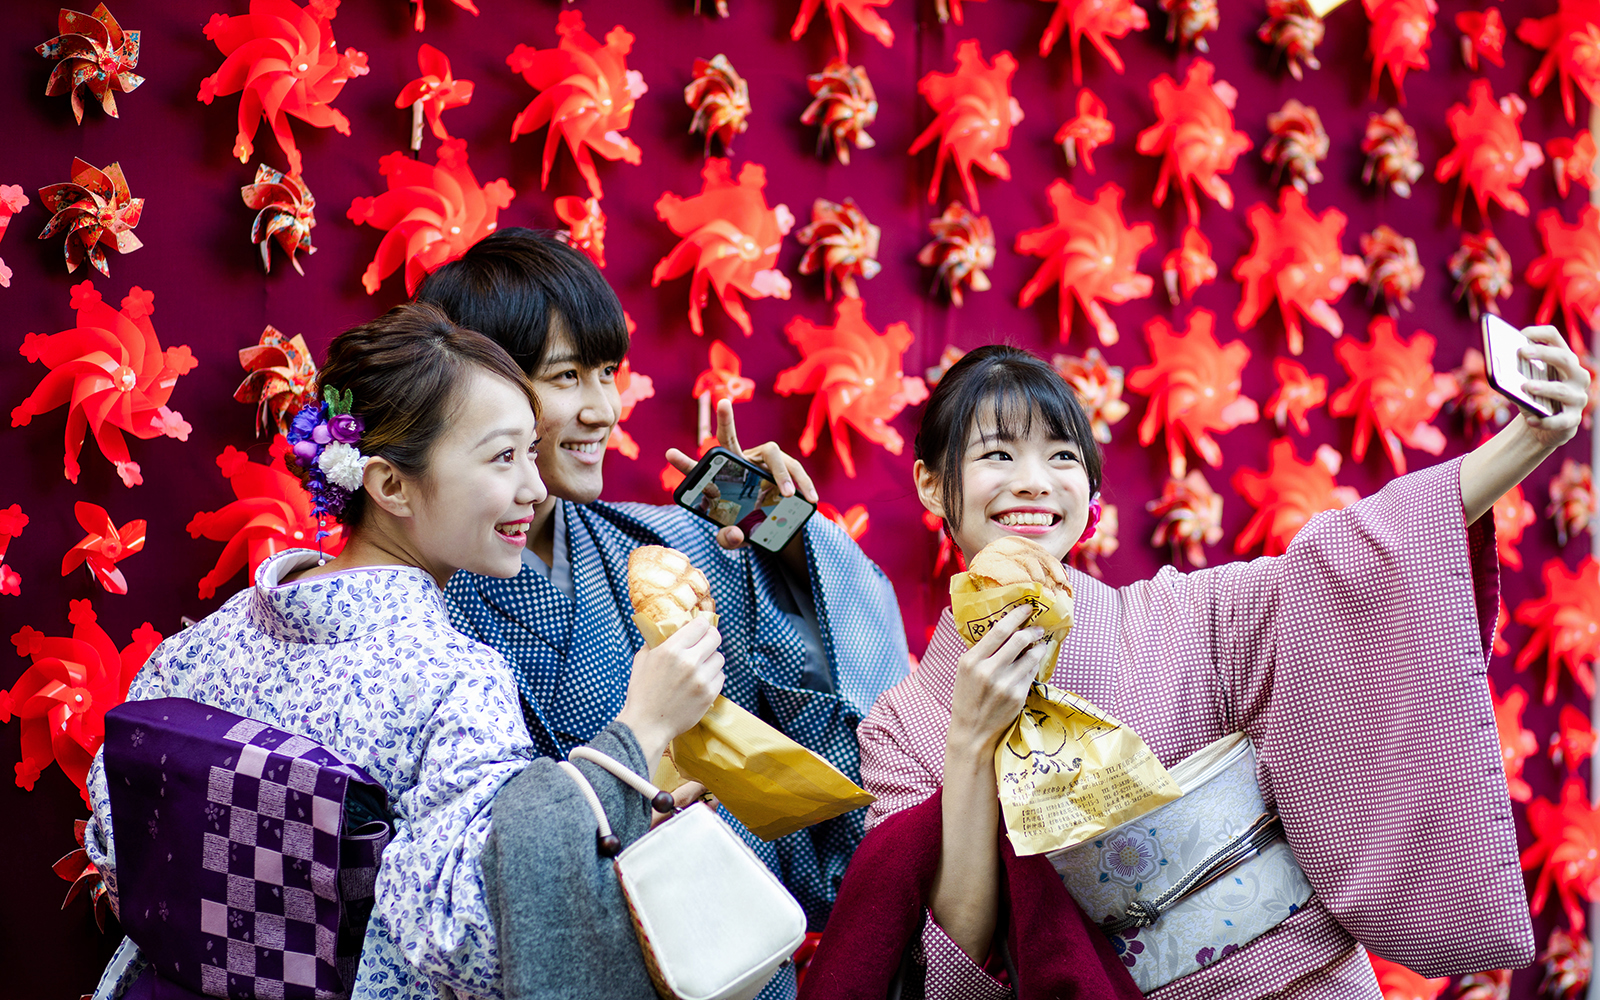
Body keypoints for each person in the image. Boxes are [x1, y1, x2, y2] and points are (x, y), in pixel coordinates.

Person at [803, 335, 1589, 1000]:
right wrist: (971, 742)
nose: (1034, 480)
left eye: (1063, 457)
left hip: (1307, 978)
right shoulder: (902, 727)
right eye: (997, 455)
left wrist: (1529, 440)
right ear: (932, 484)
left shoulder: (1186, 612)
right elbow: (959, 966)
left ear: (1092, 494)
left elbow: (1359, 560)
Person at [83, 304, 728, 1000]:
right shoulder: (453, 678)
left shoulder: (199, 647)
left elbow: (114, 842)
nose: (535, 488)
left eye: (531, 454)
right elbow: (475, 939)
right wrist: (638, 737)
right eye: (503, 456)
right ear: (390, 485)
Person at [413, 231, 909, 957]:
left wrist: (778, 529)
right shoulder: (428, 599)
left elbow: (834, 642)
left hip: (737, 931)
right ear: (479, 385)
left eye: (607, 372)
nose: (603, 408)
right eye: (566, 377)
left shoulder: (661, 543)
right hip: (591, 951)